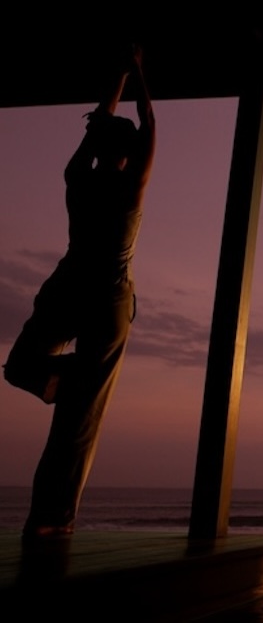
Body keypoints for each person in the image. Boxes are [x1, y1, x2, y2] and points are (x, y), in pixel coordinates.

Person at [3, 44, 156, 537]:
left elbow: (101, 126)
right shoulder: (131, 185)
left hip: (75, 286)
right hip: (104, 294)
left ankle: (52, 518)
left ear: (98, 148)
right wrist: (138, 77)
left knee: (23, 368)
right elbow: (149, 129)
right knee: (73, 408)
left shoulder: (77, 179)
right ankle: (74, 388)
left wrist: (119, 80)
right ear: (126, 153)